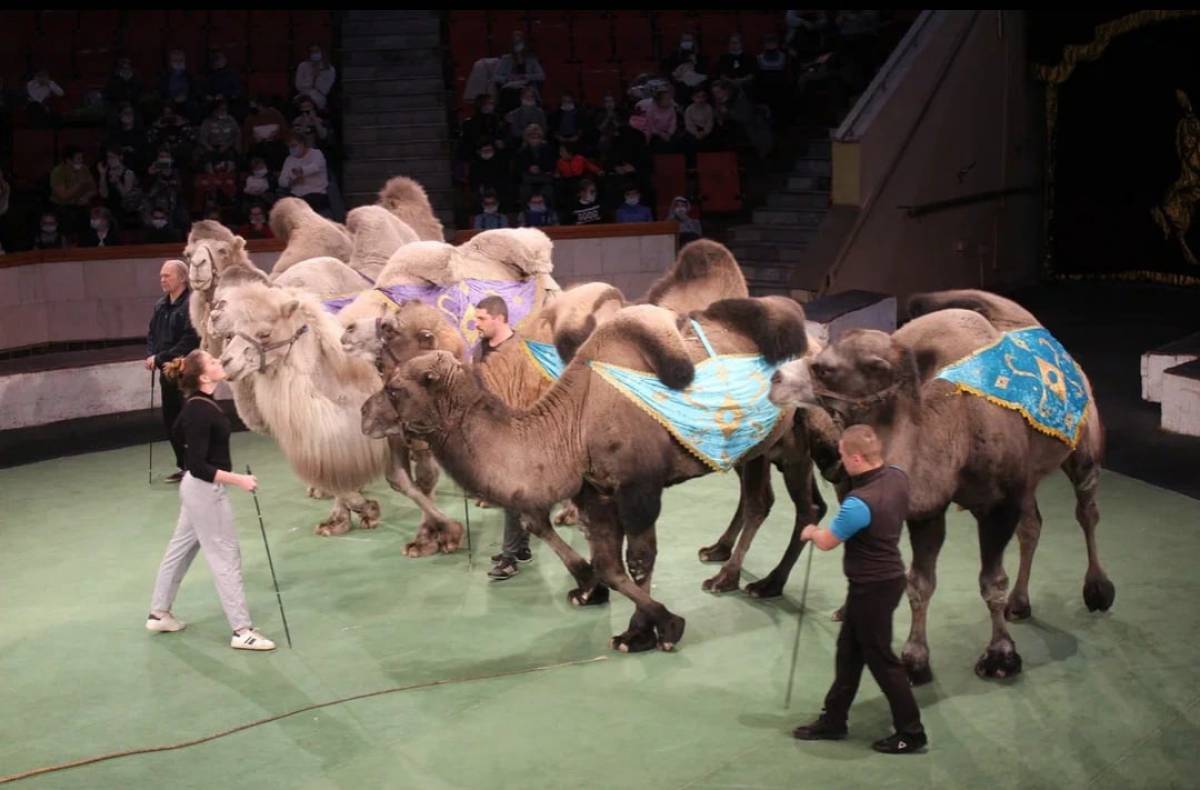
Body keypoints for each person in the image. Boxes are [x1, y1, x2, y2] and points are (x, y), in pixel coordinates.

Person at [791, 424, 927, 755]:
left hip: (872, 589)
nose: (840, 463)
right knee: (848, 652)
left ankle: (911, 732)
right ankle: (834, 719)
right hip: (886, 580)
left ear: (855, 457)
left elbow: (826, 542)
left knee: (881, 660)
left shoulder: (858, 503)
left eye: (842, 457)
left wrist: (809, 531)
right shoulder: (897, 477)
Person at [146, 349, 276, 651]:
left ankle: (159, 612)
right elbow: (198, 465)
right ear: (204, 376)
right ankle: (242, 630)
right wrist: (239, 480)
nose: (220, 363)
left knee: (179, 551)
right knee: (226, 558)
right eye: (214, 362)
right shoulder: (199, 410)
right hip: (204, 490)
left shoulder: (197, 405)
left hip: (195, 491)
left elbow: (179, 432)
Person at [473, 296, 533, 581]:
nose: (477, 323)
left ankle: (509, 559)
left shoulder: (521, 350)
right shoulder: (479, 349)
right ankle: (521, 547)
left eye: (482, 318)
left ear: (499, 318)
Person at [146, 260, 201, 483]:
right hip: (166, 372)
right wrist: (152, 355)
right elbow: (152, 334)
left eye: (167, 275)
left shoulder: (191, 304)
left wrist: (160, 357)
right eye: (161, 276)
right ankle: (183, 464)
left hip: (185, 371)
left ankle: (196, 464)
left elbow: (190, 339)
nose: (162, 279)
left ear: (182, 278)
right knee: (171, 420)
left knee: (187, 419)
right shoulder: (160, 305)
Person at [277, 133, 329, 212]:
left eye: (294, 146)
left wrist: (301, 170)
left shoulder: (316, 154)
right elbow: (281, 180)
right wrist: (291, 182)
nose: (291, 149)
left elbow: (316, 167)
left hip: (316, 192)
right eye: (289, 147)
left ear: (302, 143)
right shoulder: (289, 159)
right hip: (296, 194)